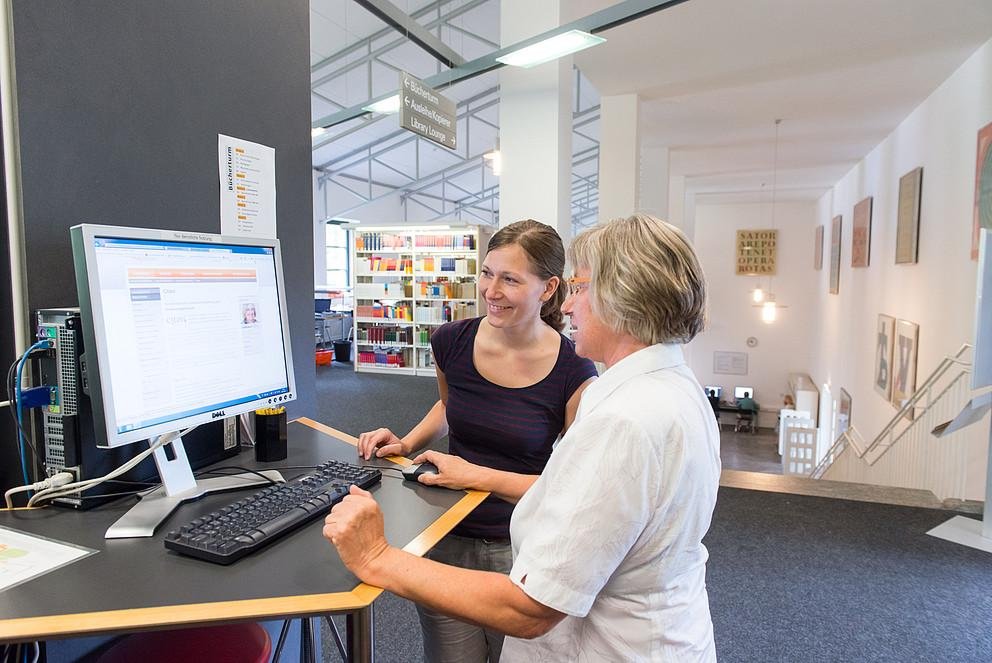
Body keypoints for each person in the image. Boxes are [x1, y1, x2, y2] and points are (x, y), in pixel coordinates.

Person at [327, 213, 721, 662]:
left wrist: (376, 556)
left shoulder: (624, 420)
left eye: (580, 287)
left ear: (623, 296)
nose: (570, 306)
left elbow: (531, 609)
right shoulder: (672, 388)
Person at [356, 219, 597, 663]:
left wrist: (473, 474)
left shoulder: (573, 370)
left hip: (521, 547)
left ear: (548, 289)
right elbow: (450, 408)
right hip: (444, 533)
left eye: (510, 279)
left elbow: (571, 487)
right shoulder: (450, 340)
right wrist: (406, 442)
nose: (491, 290)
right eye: (487, 273)